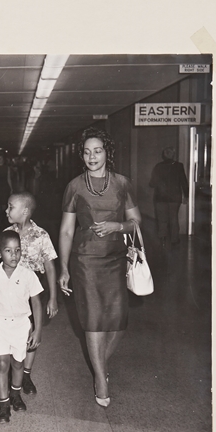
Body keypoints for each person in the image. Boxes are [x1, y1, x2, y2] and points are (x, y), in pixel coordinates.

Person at [58, 128, 141, 408]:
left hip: (116, 258)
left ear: (107, 153)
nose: (92, 156)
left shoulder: (122, 184)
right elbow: (67, 231)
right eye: (86, 151)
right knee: (93, 319)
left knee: (117, 321)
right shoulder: (74, 186)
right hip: (85, 260)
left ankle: (99, 364)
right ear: (81, 155)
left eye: (97, 150)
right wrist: (64, 269)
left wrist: (117, 225)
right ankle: (101, 378)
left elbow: (136, 222)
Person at [0, 230, 44, 423]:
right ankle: (3, 405)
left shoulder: (28, 275)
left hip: (21, 324)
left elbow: (36, 302)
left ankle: (16, 394)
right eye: (8, 251)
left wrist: (37, 330)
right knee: (1, 363)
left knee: (18, 363)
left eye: (17, 250)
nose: (14, 255)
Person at [0, 191, 58, 394]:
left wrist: (53, 298)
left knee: (31, 332)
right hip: (9, 291)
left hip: (33, 291)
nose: (6, 210)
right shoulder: (7, 232)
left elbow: (50, 267)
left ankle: (26, 374)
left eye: (10, 207)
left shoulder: (41, 235)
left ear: (24, 211)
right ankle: (12, 370)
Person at [149, 146, 188, 248]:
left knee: (162, 219)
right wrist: (186, 196)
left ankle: (162, 238)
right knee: (174, 218)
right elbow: (184, 182)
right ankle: (174, 240)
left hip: (160, 198)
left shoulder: (158, 167)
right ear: (173, 155)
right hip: (175, 198)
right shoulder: (179, 166)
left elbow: (152, 183)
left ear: (164, 155)